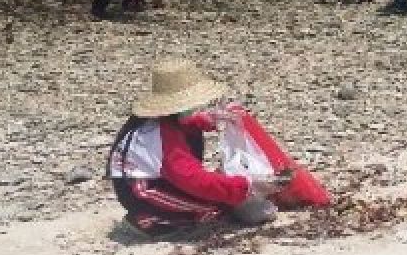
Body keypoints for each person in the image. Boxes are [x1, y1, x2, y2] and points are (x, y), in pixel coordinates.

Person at [106, 58, 284, 235]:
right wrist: (247, 186)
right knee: (214, 208)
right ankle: (147, 219)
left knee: (221, 195)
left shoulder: (164, 122)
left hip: (150, 179)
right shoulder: (164, 136)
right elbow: (192, 179)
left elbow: (185, 124)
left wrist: (209, 120)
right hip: (142, 191)